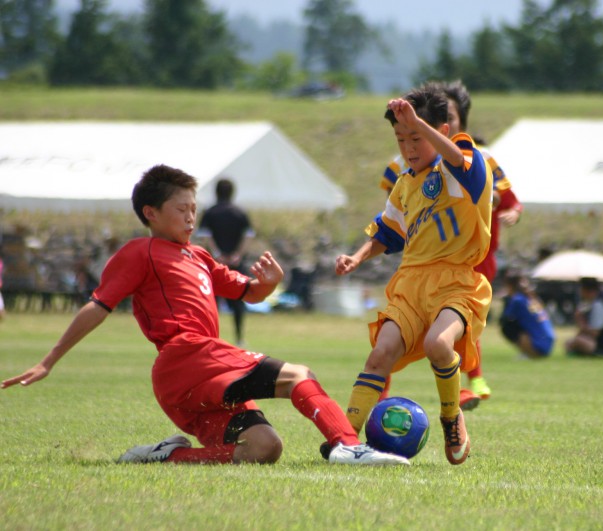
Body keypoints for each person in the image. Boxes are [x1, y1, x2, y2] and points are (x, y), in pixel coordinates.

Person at [1, 164, 408, 467]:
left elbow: (248, 291)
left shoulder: (198, 256)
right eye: (182, 209)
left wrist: (269, 283)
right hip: (187, 358)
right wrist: (49, 360)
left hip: (197, 377)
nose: (191, 218)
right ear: (151, 213)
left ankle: (167, 456)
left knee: (264, 448)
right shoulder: (140, 252)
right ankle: (347, 446)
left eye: (194, 209)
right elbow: (98, 305)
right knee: (298, 375)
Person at [330, 87, 493, 465]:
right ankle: (344, 439)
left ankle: (451, 418)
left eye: (416, 137)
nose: (408, 147)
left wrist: (418, 123)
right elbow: (388, 233)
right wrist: (356, 257)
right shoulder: (405, 184)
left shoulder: (465, 163)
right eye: (401, 139)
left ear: (441, 130)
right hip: (411, 284)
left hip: (456, 282)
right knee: (380, 354)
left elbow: (459, 161)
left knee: (438, 343)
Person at [377, 79, 523, 409]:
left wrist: (507, 208)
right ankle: (382, 392)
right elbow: (394, 202)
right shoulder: (402, 162)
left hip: (473, 257)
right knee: (395, 328)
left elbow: (510, 199)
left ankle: (471, 382)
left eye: (452, 117)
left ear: (455, 123)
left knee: (455, 323)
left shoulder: (479, 158)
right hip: (421, 258)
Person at [197, 178, 254, 346]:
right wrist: (238, 254)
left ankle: (211, 337)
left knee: (211, 302)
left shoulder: (210, 212)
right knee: (238, 301)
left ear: (216, 192)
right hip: (236, 264)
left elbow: (205, 236)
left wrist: (217, 254)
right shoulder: (240, 212)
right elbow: (248, 235)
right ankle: (239, 338)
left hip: (213, 264)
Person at [498, 270, 555, 359]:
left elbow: (504, 318)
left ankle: (529, 352)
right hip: (547, 341)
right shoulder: (531, 297)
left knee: (508, 327)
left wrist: (506, 300)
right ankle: (530, 351)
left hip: (538, 344)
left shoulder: (517, 300)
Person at [565, 277, 603, 357]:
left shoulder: (599, 305)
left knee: (574, 342)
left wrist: (580, 322)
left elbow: (594, 333)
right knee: (574, 341)